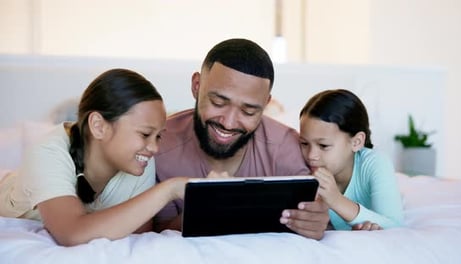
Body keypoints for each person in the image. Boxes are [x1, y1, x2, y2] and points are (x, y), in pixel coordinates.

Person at [154, 38, 330, 240]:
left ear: (265, 104)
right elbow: (155, 232)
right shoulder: (157, 145)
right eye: (218, 102)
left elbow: (316, 215)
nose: (229, 123)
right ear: (196, 85)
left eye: (248, 111)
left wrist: (315, 221)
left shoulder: (285, 147)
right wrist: (204, 209)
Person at [0, 68, 190, 246]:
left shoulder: (141, 162)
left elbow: (138, 235)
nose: (154, 148)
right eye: (145, 134)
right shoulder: (48, 152)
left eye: (158, 136)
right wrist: (168, 190)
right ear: (99, 126)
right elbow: (71, 233)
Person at [298, 89, 404, 231]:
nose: (311, 155)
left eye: (323, 146)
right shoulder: (300, 167)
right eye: (304, 143)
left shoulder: (375, 163)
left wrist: (335, 199)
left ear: (356, 142)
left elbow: (396, 227)